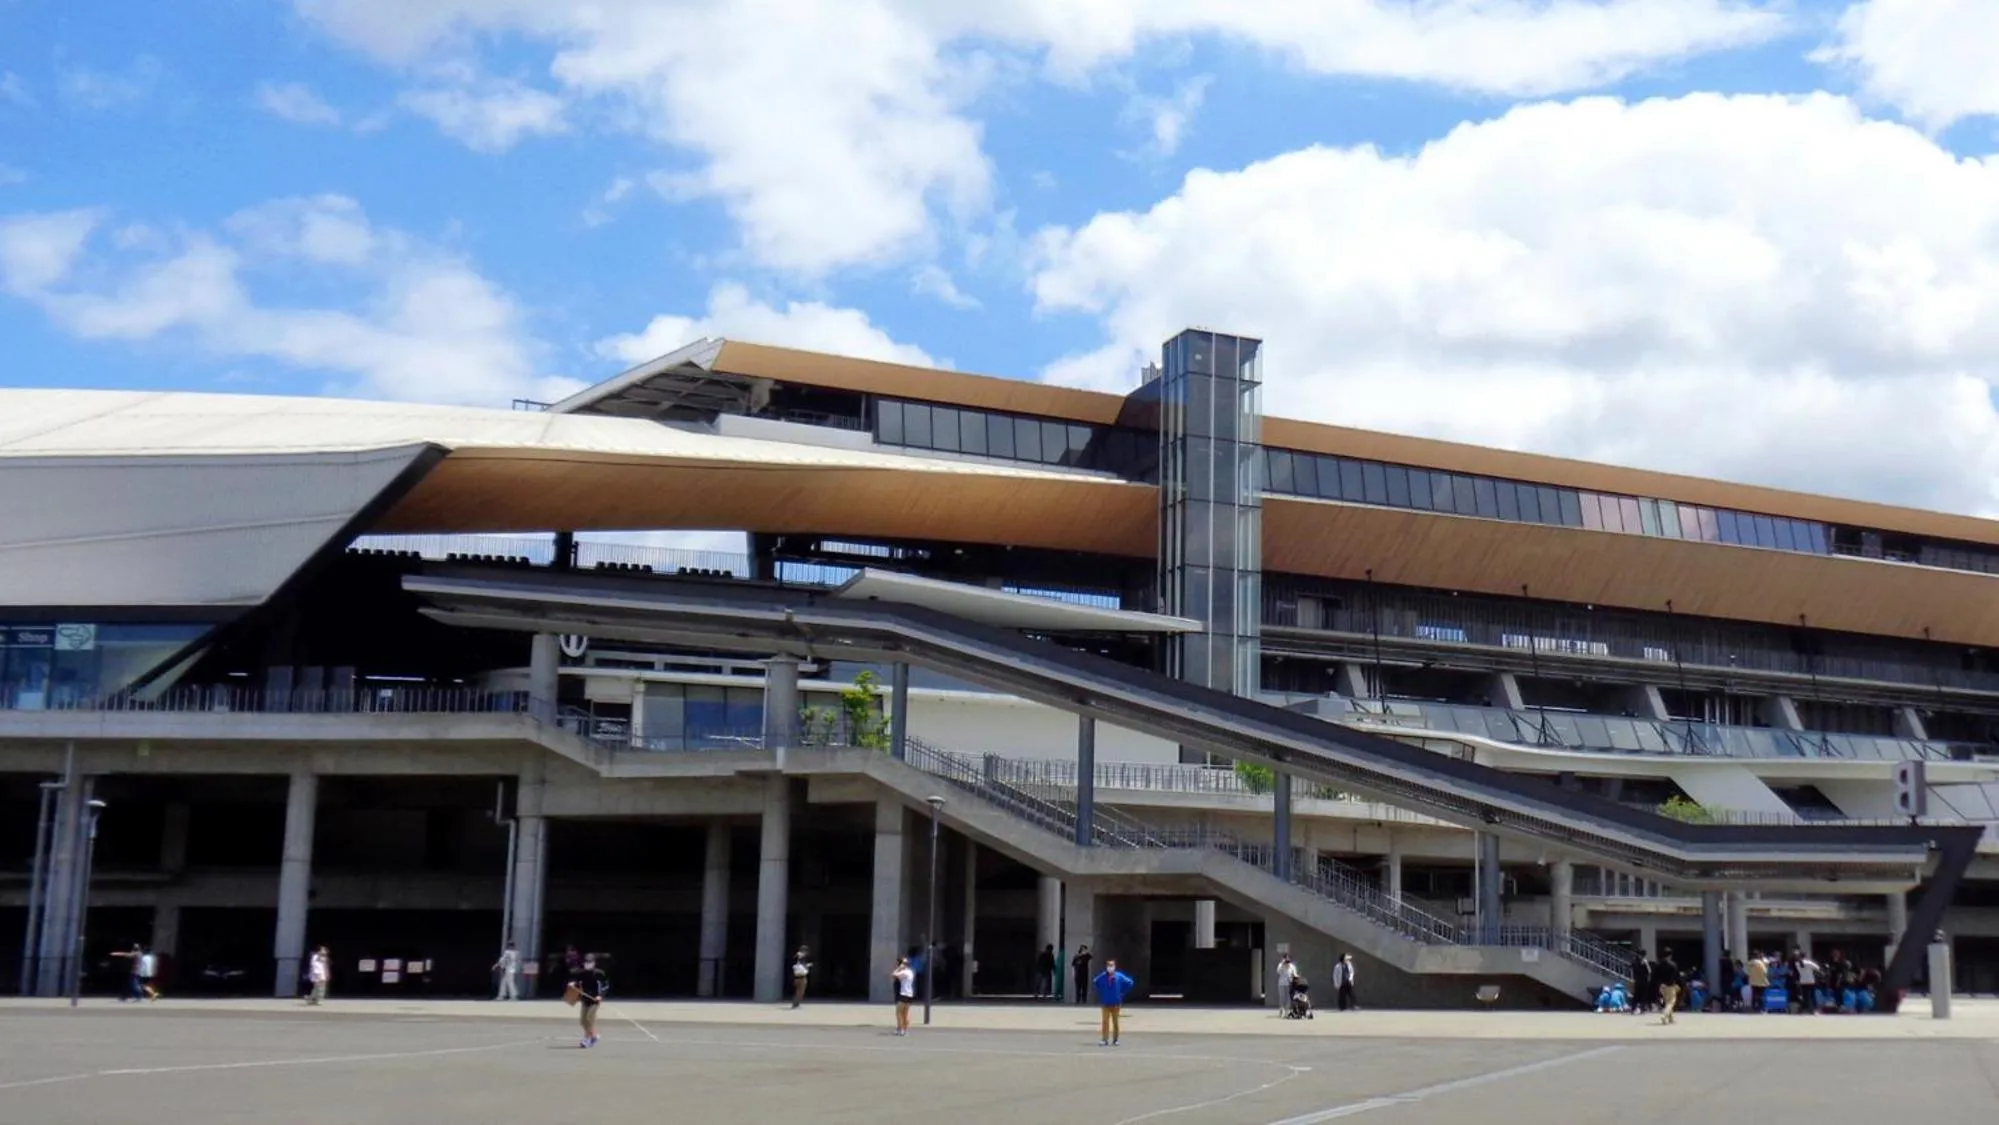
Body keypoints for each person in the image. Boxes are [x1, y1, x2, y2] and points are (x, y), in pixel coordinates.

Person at [1092, 958, 1135, 1047]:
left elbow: (1130, 982)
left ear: (1114, 967)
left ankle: (1115, 1039)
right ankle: (1104, 1039)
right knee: (1105, 1022)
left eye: (1112, 966)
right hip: (1105, 1003)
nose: (1110, 967)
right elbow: (1095, 981)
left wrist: (1122, 992)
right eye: (1108, 966)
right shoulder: (1103, 976)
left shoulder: (1119, 976)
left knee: (1115, 1022)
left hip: (1116, 1003)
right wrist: (1102, 991)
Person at [572, 955, 607, 1048]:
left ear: (594, 963)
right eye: (586, 962)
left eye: (590, 962)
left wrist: (600, 995)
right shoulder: (581, 973)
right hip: (585, 999)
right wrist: (573, 985)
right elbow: (577, 984)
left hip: (595, 1000)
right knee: (583, 1021)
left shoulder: (599, 973)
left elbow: (605, 986)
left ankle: (587, 1039)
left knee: (589, 1018)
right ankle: (594, 1036)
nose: (588, 964)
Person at [891, 956, 916, 1035]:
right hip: (910, 994)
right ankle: (905, 1030)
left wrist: (899, 968)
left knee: (898, 1012)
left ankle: (900, 1029)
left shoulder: (904, 972)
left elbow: (893, 975)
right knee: (905, 1013)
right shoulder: (910, 972)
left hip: (903, 994)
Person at [1655, 953, 1683, 1025]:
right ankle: (1664, 1015)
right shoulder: (1673, 965)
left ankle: (1671, 1018)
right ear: (1670, 956)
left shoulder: (1659, 965)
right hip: (1670, 985)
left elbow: (1656, 976)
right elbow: (1677, 976)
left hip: (1662, 986)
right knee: (1671, 1002)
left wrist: (1659, 984)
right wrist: (1680, 984)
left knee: (1667, 1002)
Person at [1629, 949, 1652, 1015]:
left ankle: (1633, 1009)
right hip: (1644, 981)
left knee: (1636, 995)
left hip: (1637, 980)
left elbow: (1631, 970)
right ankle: (1642, 1009)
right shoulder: (1644, 961)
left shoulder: (1634, 961)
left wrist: (1632, 978)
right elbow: (1649, 971)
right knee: (1643, 995)